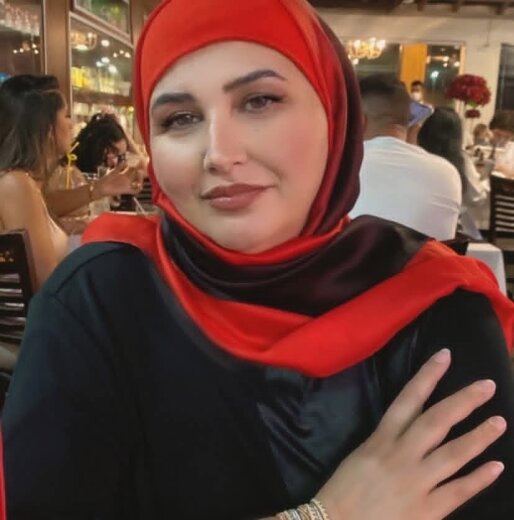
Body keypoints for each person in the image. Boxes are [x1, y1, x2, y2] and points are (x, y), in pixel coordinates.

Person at [3, 1, 514, 519]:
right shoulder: (98, 299)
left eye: (260, 101)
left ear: (334, 115)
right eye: (181, 118)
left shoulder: (433, 303)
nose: (219, 153)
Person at [350, 74, 462, 240]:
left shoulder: (345, 168)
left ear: (359, 121)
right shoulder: (448, 172)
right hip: (430, 258)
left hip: (358, 257)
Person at [0, 74, 72, 290]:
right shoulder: (15, 183)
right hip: (31, 312)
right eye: (66, 115)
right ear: (48, 129)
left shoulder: (25, 181)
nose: (72, 124)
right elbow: (44, 281)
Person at [46, 112, 146, 232]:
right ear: (96, 143)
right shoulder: (65, 172)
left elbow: (141, 164)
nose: (114, 161)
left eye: (119, 156)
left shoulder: (102, 177)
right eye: (112, 151)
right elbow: (49, 211)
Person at [417, 107, 488, 240]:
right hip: (449, 233)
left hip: (416, 228)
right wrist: (485, 181)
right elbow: (476, 198)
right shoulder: (460, 160)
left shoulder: (415, 154)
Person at [489, 110, 514, 176]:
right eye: (498, 134)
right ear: (490, 130)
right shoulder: (481, 147)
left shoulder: (512, 150)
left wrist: (501, 169)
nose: (501, 140)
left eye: (507, 137)